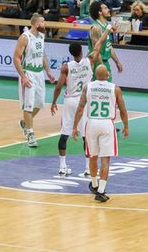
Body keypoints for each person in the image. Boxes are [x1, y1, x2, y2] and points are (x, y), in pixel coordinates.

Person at [50, 28, 110, 176]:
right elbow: (99, 44)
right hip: (84, 101)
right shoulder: (89, 61)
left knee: (64, 134)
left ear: (71, 53)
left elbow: (59, 86)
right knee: (86, 135)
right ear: (81, 51)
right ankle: (88, 169)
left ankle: (62, 167)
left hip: (70, 101)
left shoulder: (66, 67)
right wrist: (108, 29)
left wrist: (53, 102)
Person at [72, 64, 129, 202]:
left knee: (93, 156)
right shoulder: (115, 89)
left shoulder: (87, 87)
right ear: (108, 74)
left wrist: (74, 127)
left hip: (91, 123)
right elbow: (122, 110)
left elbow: (80, 108)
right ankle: (101, 191)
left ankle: (94, 184)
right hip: (106, 124)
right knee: (105, 159)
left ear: (95, 75)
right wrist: (126, 126)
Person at [13, 14, 57, 147]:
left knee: (39, 104)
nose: (45, 24)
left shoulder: (41, 36)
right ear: (36, 24)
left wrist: (48, 71)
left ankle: (25, 123)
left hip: (39, 73)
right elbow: (16, 58)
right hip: (28, 73)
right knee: (28, 105)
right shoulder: (25, 37)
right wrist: (23, 76)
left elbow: (42, 55)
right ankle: (30, 134)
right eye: (43, 22)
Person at [88, 0, 124, 78]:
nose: (108, 10)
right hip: (96, 63)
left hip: (104, 62)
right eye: (105, 8)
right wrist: (102, 66)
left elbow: (109, 46)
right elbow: (96, 51)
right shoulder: (96, 28)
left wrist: (117, 62)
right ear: (100, 12)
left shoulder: (107, 25)